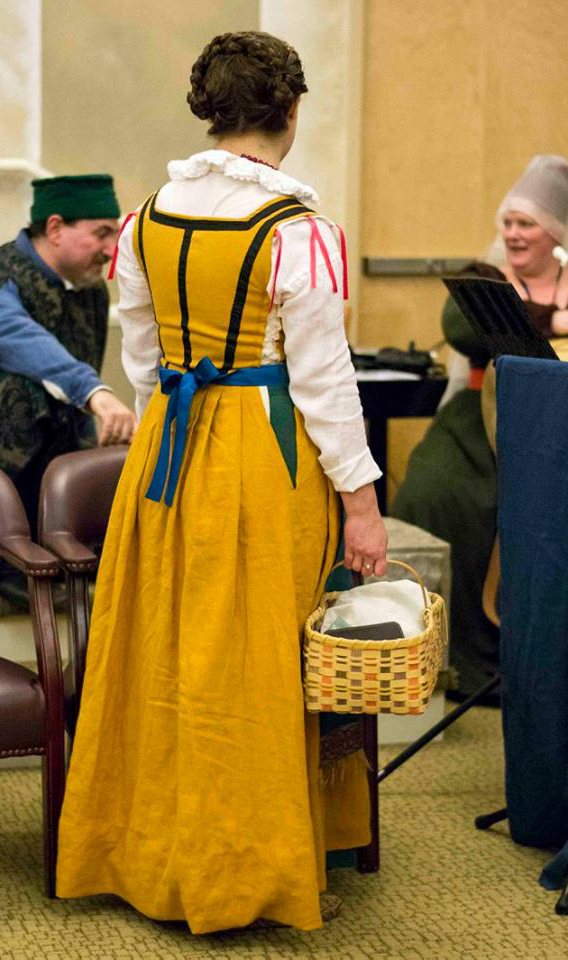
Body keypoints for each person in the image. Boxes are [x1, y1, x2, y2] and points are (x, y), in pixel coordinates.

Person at [56, 31, 388, 933]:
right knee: (255, 659)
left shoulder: (146, 220)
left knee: (163, 646)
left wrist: (173, 417)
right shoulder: (298, 233)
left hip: (166, 450)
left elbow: (140, 358)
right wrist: (362, 503)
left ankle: (147, 850)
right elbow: (326, 386)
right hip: (258, 455)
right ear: (290, 110)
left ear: (211, 110)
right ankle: (246, 870)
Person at [392, 155, 568, 701]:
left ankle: (536, 664)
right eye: (507, 222)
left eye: (526, 223)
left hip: (559, 429)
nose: (512, 234)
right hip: (476, 421)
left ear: (555, 233)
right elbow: (459, 326)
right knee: (435, 492)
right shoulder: (484, 279)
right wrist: (549, 320)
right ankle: (451, 659)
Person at [0, 174, 137, 589]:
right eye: (102, 234)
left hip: (29, 459)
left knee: (85, 434)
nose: (112, 249)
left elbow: (71, 404)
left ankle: (56, 551)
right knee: (19, 392)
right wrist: (96, 393)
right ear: (55, 228)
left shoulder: (88, 294)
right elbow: (14, 337)